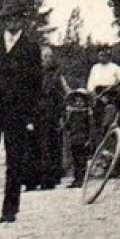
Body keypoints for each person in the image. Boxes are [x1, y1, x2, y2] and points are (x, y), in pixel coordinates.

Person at [0, 0, 43, 224]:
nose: (13, 22)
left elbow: (36, 83)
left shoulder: (31, 48)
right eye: (9, 18)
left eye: (17, 18)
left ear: (23, 20)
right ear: (4, 21)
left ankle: (10, 210)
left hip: (17, 111)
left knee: (15, 161)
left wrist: (29, 113)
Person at [32, 52, 70, 189]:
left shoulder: (56, 76)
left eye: (49, 57)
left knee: (52, 145)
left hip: (52, 113)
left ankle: (50, 178)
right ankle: (36, 178)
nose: (46, 60)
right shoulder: (34, 75)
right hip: (37, 114)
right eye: (43, 57)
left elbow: (62, 95)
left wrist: (61, 115)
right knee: (37, 145)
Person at [63, 89, 96, 188]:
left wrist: (89, 139)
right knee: (75, 160)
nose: (79, 104)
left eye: (81, 102)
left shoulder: (87, 114)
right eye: (77, 101)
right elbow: (67, 126)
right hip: (74, 139)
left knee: (82, 161)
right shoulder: (73, 114)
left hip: (83, 140)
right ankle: (77, 179)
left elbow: (91, 127)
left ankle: (82, 179)